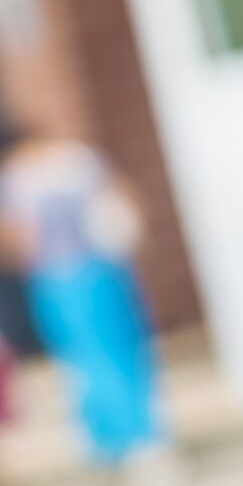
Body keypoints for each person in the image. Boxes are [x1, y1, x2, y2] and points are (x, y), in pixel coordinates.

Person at [0, 134, 169, 471]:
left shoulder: (19, 180)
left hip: (59, 279)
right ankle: (134, 436)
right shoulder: (80, 161)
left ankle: (120, 438)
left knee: (86, 358)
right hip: (105, 270)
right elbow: (129, 203)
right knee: (122, 351)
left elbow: (18, 241)